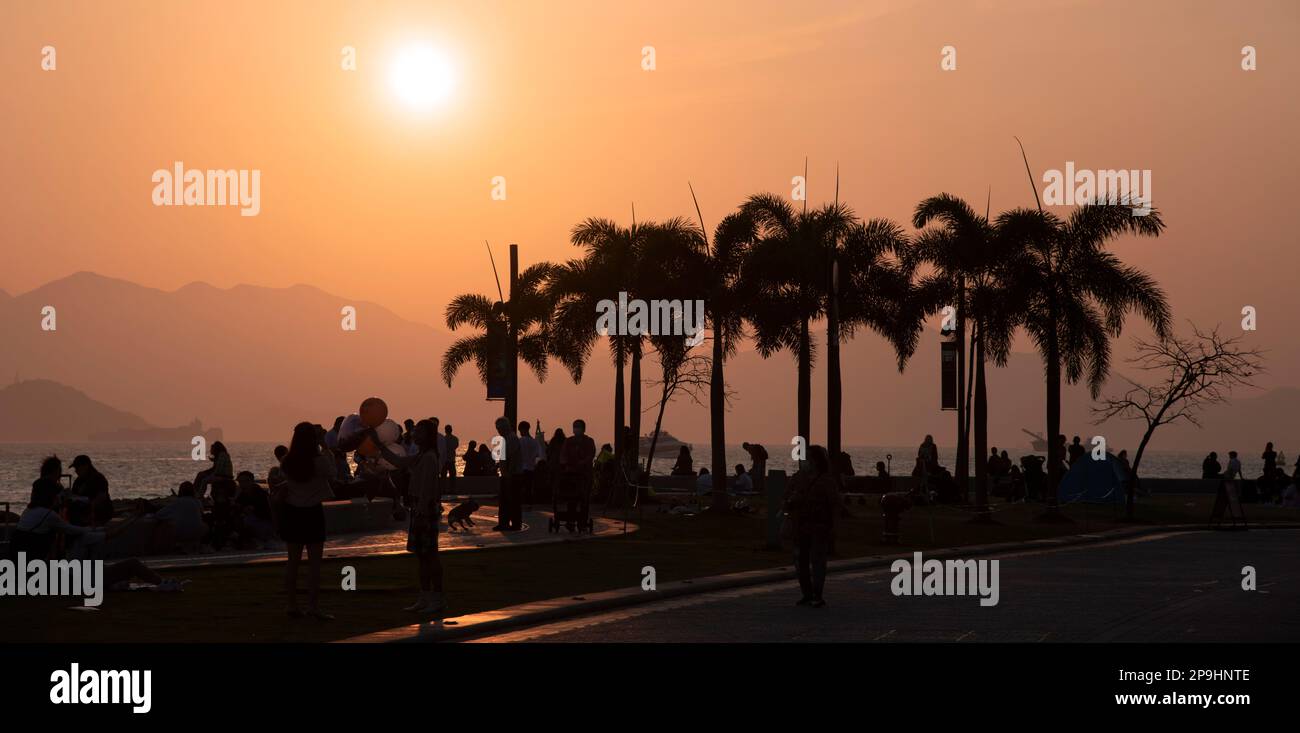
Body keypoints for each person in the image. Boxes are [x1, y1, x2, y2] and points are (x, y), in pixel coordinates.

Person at [372, 419, 446, 614]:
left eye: (419, 431)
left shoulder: (429, 457)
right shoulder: (421, 455)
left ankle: (436, 599)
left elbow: (429, 488)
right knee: (422, 556)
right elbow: (399, 462)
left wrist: (421, 509)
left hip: (425, 511)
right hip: (418, 510)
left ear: (427, 435)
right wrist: (379, 446)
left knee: (430, 556)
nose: (414, 434)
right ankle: (424, 597)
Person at [275, 421, 336, 619]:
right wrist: (324, 445)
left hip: (292, 512)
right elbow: (332, 473)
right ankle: (312, 606)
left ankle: (291, 605)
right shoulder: (319, 461)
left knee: (292, 562)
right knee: (314, 564)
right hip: (312, 513)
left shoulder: (287, 461)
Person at [784, 445, 841, 608]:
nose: (805, 461)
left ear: (816, 460)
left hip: (819, 526)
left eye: (808, 457)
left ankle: (817, 594)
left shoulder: (826, 480)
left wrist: (834, 527)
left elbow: (834, 504)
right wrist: (791, 501)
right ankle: (806, 594)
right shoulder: (798, 477)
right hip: (800, 524)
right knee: (800, 561)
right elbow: (786, 496)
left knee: (817, 560)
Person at [558, 420, 597, 531]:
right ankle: (571, 521)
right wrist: (565, 463)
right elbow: (563, 455)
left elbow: (590, 455)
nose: (576, 429)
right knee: (571, 499)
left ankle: (582, 522)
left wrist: (581, 463)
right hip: (570, 475)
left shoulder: (589, 441)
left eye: (578, 427)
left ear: (583, 429)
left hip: (585, 475)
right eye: (575, 427)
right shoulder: (568, 441)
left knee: (584, 500)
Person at [151, 481, 208, 553]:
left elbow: (158, 514)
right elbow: (201, 514)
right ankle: (199, 545)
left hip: (181, 532)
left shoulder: (177, 502)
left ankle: (166, 547)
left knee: (165, 524)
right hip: (198, 532)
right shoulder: (197, 502)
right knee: (203, 524)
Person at [492, 417, 524, 531]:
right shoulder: (505, 438)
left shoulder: (511, 438)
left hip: (512, 475)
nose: (498, 430)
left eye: (499, 428)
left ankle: (515, 524)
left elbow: (513, 457)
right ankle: (503, 523)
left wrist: (509, 473)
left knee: (513, 500)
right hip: (506, 474)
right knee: (504, 500)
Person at [68, 455, 112, 528]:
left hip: (98, 515)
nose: (76, 470)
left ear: (86, 466)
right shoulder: (78, 481)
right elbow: (74, 496)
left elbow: (101, 498)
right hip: (82, 515)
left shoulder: (98, 478)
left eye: (77, 467)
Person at [234, 471, 275, 548]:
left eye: (246, 481)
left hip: (264, 524)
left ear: (252, 481)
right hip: (255, 523)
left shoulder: (259, 494)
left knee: (245, 520)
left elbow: (259, 512)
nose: (243, 484)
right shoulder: (242, 494)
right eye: (240, 482)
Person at [518, 421, 541, 507]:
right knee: (529, 487)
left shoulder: (519, 441)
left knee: (520, 487)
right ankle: (529, 503)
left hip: (521, 468)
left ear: (522, 429)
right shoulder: (535, 442)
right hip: (531, 468)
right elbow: (537, 455)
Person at [441, 424, 459, 489]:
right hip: (451, 459)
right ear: (451, 430)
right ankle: (452, 489)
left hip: (445, 460)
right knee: (452, 476)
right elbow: (455, 446)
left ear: (445, 430)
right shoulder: (455, 439)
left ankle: (443, 489)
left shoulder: (443, 439)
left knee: (443, 476)